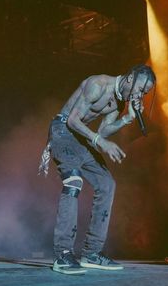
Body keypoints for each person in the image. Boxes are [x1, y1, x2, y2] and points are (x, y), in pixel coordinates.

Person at [39, 64, 156, 275]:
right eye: (140, 90)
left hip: (81, 137)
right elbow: (73, 120)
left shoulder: (120, 101)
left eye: (144, 93)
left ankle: (91, 252)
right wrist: (100, 141)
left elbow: (103, 131)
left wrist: (127, 118)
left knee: (107, 184)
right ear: (130, 79)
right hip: (62, 130)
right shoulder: (98, 84)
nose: (140, 95)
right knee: (73, 181)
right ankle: (63, 254)